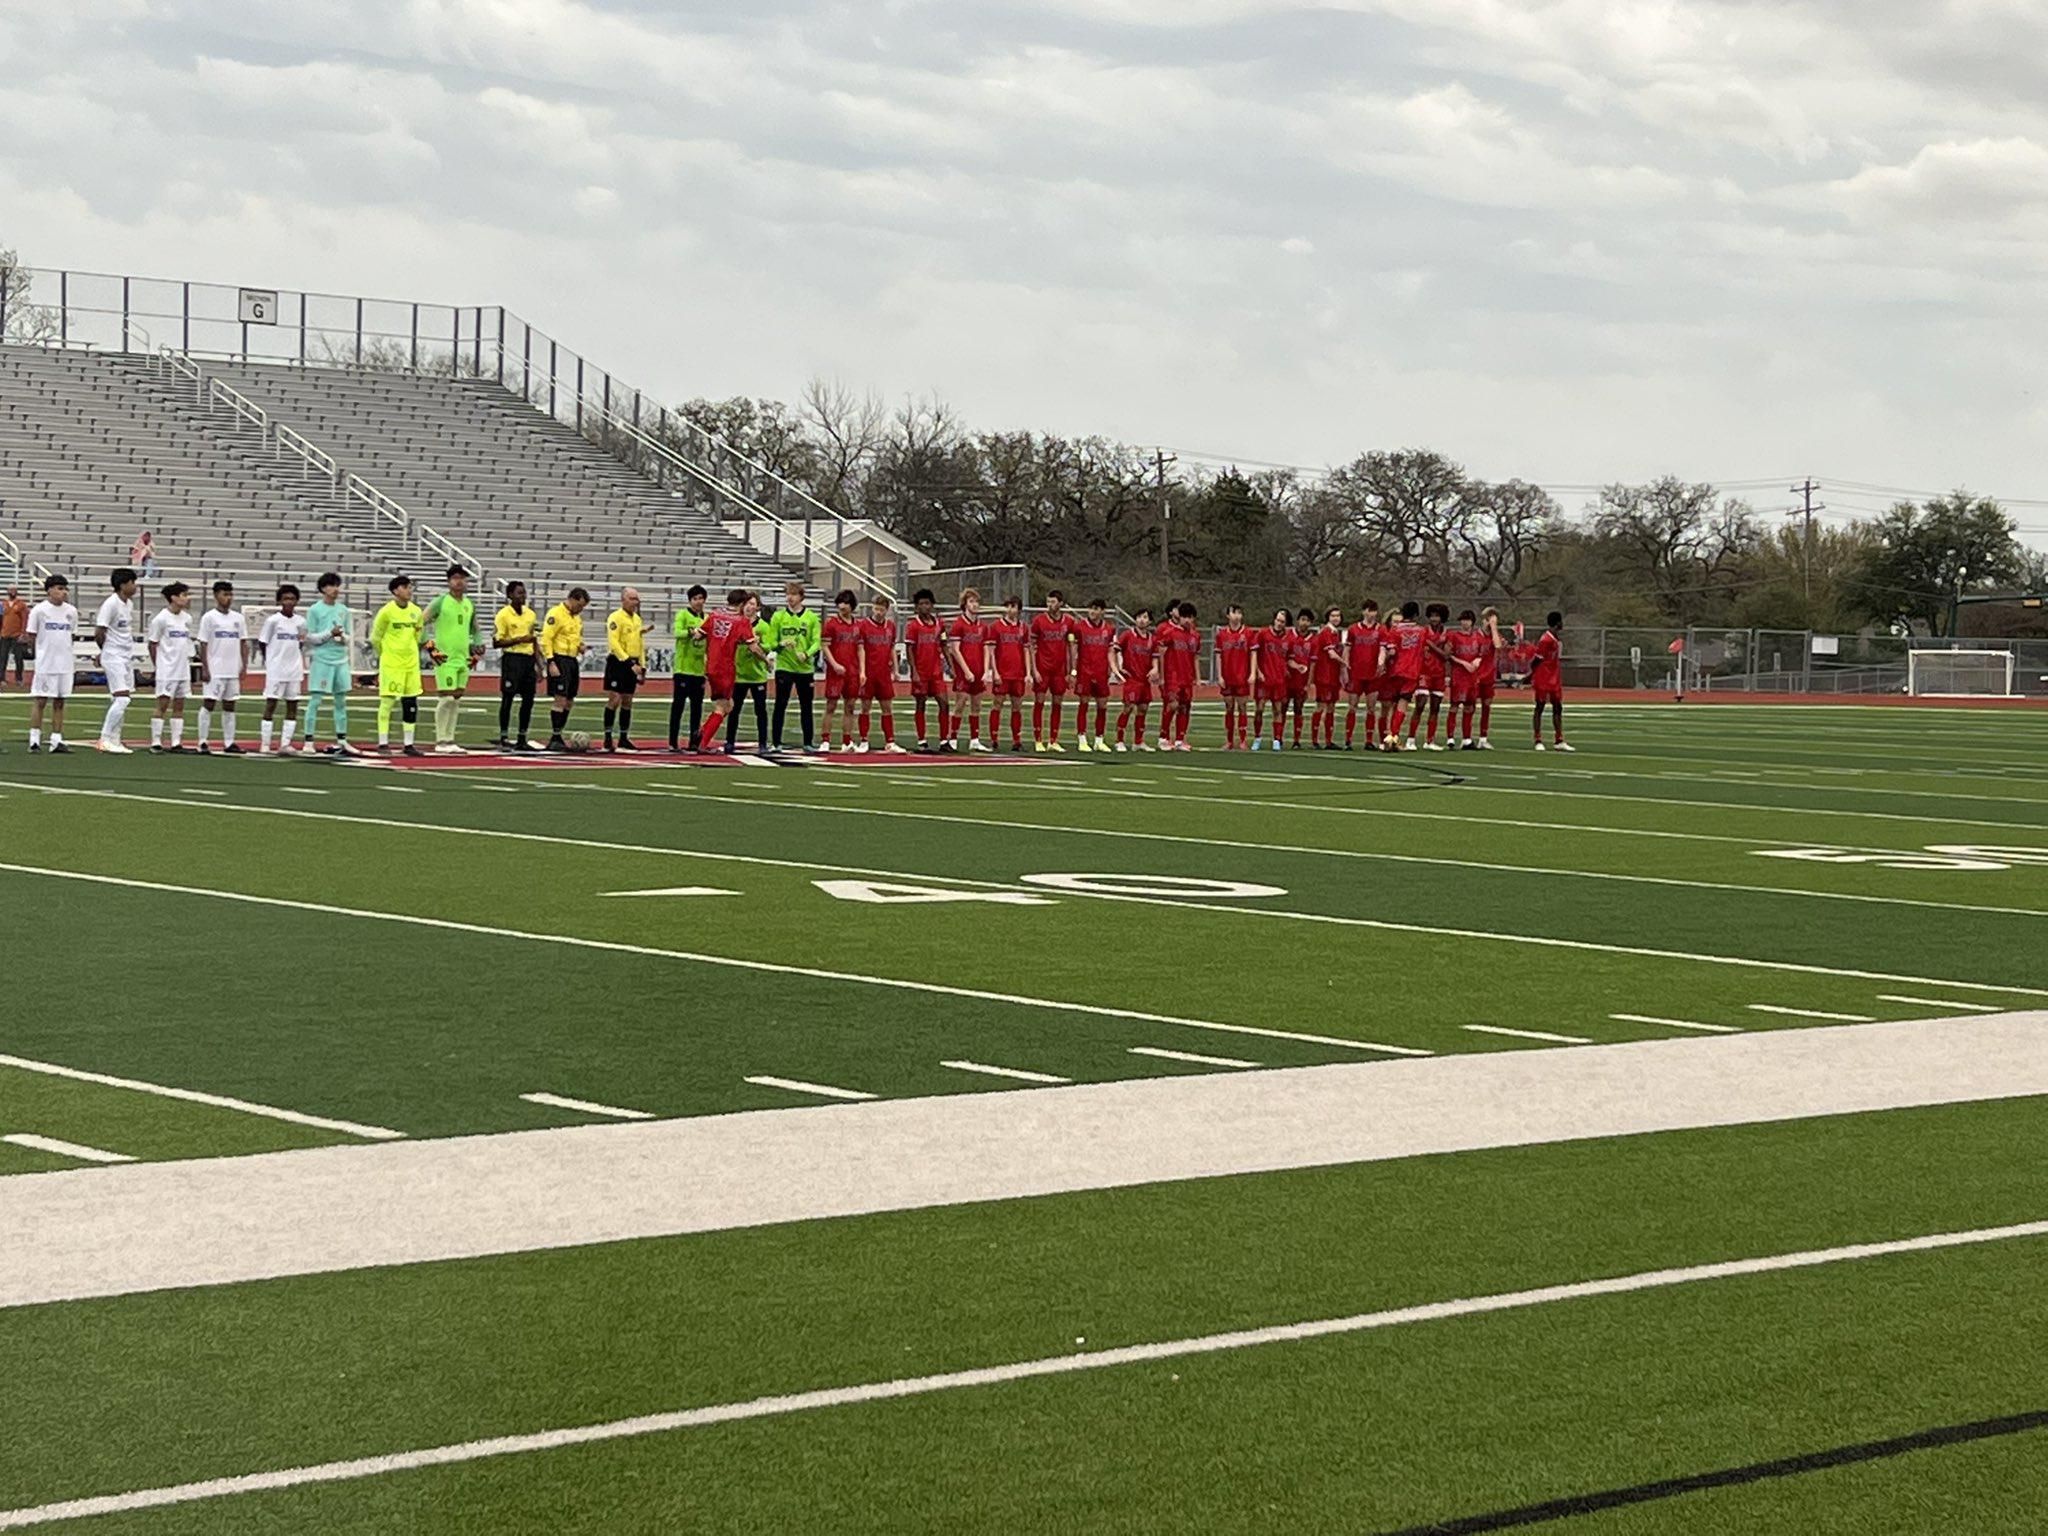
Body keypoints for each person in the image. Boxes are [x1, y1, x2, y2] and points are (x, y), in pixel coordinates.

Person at [422, 565, 479, 755]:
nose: (459, 581)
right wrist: (431, 648)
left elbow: (475, 629)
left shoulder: (469, 604)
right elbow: (419, 623)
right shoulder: (440, 602)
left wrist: (477, 649)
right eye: (455, 578)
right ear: (448, 581)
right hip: (445, 659)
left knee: (455, 699)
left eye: (462, 578)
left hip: (463, 659)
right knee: (446, 698)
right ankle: (441, 739)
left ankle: (450, 739)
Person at [760, 581, 822, 752]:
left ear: (801, 597)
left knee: (806, 706)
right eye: (788, 594)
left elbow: (816, 642)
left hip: (805, 669)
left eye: (793, 594)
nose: (790, 597)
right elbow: (771, 643)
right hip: (785, 667)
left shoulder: (811, 618)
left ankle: (808, 742)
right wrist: (780, 644)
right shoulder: (778, 617)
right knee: (780, 704)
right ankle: (776, 742)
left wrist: (807, 654)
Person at [369, 575, 426, 756]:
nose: (409, 590)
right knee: (387, 702)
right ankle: (383, 742)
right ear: (395, 591)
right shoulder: (386, 612)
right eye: (405, 587)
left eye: (410, 587)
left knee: (410, 702)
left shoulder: (416, 611)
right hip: (392, 663)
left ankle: (409, 743)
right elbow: (375, 638)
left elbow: (418, 635)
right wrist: (385, 654)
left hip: (411, 663)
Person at [304, 573, 355, 755]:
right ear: (324, 588)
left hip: (340, 660)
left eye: (337, 585)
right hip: (322, 660)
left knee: (341, 701)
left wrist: (341, 637)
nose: (336, 589)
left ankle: (342, 740)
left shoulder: (343, 610)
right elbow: (310, 637)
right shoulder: (315, 610)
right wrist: (329, 634)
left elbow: (348, 635)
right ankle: (308, 740)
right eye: (332, 586)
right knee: (316, 700)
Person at [26, 574, 78, 752]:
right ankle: (34, 740)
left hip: (64, 663)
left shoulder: (71, 611)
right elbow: (31, 635)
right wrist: (38, 655)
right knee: (40, 700)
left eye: (65, 589)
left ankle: (57, 740)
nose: (63, 592)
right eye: (59, 588)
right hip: (46, 663)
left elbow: (70, 635)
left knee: (60, 701)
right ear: (49, 590)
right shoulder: (39, 611)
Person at [195, 580, 248, 755]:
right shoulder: (209, 617)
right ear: (216, 596)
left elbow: (243, 643)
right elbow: (203, 643)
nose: (228, 598)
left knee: (230, 705)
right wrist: (205, 667)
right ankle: (202, 741)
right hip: (215, 668)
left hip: (232, 668)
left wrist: (244, 665)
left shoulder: (238, 618)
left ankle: (229, 742)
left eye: (230, 594)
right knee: (209, 703)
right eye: (225, 594)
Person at [718, 594, 774, 753]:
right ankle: (730, 741)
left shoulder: (763, 626)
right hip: (738, 674)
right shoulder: (737, 623)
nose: (749, 607)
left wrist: (758, 644)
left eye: (753, 604)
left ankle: (763, 743)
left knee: (761, 711)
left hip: (757, 675)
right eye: (747, 603)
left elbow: (768, 646)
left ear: (758, 607)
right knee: (734, 710)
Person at [94, 567, 140, 754]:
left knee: (120, 698)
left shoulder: (128, 604)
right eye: (132, 583)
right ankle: (104, 738)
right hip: (114, 656)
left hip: (126, 655)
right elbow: (99, 631)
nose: (135, 587)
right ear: (122, 585)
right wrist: (105, 652)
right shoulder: (110, 604)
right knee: (122, 698)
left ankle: (116, 739)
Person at [258, 584, 308, 753]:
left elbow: (300, 643)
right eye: (286, 598)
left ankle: (285, 743)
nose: (289, 602)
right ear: (279, 600)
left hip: (294, 669)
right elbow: (263, 642)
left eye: (292, 599)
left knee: (292, 706)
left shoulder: (301, 622)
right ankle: (265, 743)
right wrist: (270, 661)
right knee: (271, 704)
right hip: (276, 670)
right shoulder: (273, 621)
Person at [146, 582, 196, 752]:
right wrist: (158, 666)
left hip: (183, 668)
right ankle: (156, 742)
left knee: (179, 705)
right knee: (162, 704)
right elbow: (153, 643)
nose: (186, 598)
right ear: (173, 598)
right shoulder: (161, 619)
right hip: (167, 669)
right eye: (183, 595)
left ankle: (176, 742)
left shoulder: (186, 619)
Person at [493, 580, 541, 751]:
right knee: (508, 698)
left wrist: (539, 665)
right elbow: (497, 642)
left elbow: (534, 640)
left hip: (527, 660)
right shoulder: (503, 615)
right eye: (519, 593)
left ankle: (522, 736)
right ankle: (504, 735)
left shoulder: (530, 614)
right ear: (510, 595)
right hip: (512, 659)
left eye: (524, 592)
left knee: (529, 700)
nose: (523, 596)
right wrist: (519, 639)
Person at [541, 587, 590, 750]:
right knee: (560, 698)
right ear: (573, 599)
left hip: (571, 660)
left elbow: (575, 638)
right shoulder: (555, 614)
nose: (580, 609)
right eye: (580, 605)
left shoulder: (577, 618)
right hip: (559, 658)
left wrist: (580, 646)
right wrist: (551, 661)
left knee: (569, 700)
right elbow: (547, 638)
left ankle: (559, 734)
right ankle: (555, 736)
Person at [945, 588, 992, 752]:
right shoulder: (959, 624)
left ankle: (975, 739)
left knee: (976, 705)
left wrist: (986, 670)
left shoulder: (982, 626)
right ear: (965, 604)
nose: (975, 605)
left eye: (976, 601)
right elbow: (955, 650)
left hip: (978, 670)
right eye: (971, 601)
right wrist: (965, 671)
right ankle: (953, 738)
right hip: (964, 672)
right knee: (961, 703)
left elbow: (986, 649)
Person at [856, 594, 903, 753]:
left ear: (887, 610)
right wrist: (862, 671)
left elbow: (891, 648)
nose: (878, 612)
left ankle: (890, 741)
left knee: (887, 707)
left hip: (883, 673)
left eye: (881, 610)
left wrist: (895, 670)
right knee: (865, 707)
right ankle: (863, 740)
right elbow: (860, 649)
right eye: (876, 608)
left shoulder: (890, 626)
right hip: (869, 671)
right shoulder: (863, 625)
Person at [602, 587, 647, 752]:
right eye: (632, 598)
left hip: (633, 663)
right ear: (623, 599)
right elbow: (614, 643)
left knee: (628, 701)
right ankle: (607, 737)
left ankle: (623, 737)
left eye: (636, 599)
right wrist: (629, 663)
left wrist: (642, 665)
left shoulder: (637, 619)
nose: (635, 602)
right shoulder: (615, 618)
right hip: (619, 662)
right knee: (614, 699)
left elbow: (640, 643)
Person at [1028, 590, 1074, 752]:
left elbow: (1070, 647)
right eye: (1048, 602)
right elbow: (1031, 647)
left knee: (1057, 704)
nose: (1050, 605)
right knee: (1039, 702)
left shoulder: (1068, 622)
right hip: (1042, 667)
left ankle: (1053, 740)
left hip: (1059, 670)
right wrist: (1034, 670)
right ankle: (1038, 739)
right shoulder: (1039, 621)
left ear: (1060, 603)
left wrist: (1071, 671)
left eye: (1053, 602)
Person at [904, 589, 948, 750]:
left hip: (936, 671)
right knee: (921, 704)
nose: (925, 607)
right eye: (921, 604)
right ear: (917, 607)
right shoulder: (913, 626)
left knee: (944, 703)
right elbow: (909, 649)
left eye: (927, 603)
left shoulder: (939, 624)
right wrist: (914, 671)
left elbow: (943, 644)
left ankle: (944, 740)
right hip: (921, 671)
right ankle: (922, 740)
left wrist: (951, 665)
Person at [820, 590, 863, 752]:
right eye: (840, 602)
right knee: (831, 705)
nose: (842, 606)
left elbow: (860, 648)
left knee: (850, 706)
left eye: (845, 603)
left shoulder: (857, 625)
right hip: (835, 672)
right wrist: (834, 664)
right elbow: (825, 646)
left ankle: (847, 740)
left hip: (852, 671)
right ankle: (825, 740)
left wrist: (862, 671)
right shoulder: (831, 623)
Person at [1405, 602, 1452, 751]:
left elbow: (1446, 655)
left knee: (1435, 707)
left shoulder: (1447, 633)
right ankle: (1410, 739)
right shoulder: (1422, 631)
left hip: (1439, 673)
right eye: (1431, 616)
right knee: (1420, 705)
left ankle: (1430, 740)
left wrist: (1431, 645)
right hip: (1424, 672)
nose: (1434, 619)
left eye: (1437, 616)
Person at [667, 584, 708, 753]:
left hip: (699, 670)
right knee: (678, 706)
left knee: (697, 709)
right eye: (695, 599)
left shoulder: (707, 618)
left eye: (701, 598)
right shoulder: (682, 614)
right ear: (690, 601)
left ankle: (694, 741)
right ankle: (672, 741)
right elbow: (677, 632)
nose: (698, 602)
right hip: (683, 669)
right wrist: (692, 632)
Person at [1069, 599, 1115, 751]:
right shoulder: (1080, 627)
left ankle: (1099, 739)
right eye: (1091, 609)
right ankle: (1082, 738)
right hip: (1085, 671)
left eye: (1096, 609)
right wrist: (1073, 671)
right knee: (1084, 703)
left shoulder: (1109, 629)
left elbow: (1110, 650)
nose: (1093, 612)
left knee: (1102, 705)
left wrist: (1114, 668)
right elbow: (1074, 650)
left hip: (1101, 672)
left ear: (1103, 611)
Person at [1111, 606, 1158, 752]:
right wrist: (1118, 668)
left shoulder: (1152, 639)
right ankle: (1119, 740)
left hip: (1144, 680)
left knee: (1143, 708)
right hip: (1131, 678)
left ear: (1149, 621)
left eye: (1145, 617)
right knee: (1128, 707)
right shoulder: (1127, 635)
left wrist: (1155, 669)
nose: (1141, 620)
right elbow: (1114, 651)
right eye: (1139, 617)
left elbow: (1155, 658)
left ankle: (1138, 741)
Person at [1382, 601, 1426, 750]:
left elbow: (1392, 651)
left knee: (1392, 704)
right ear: (1416, 614)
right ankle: (1393, 737)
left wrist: (1383, 664)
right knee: (1402, 705)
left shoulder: (1394, 630)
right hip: (1412, 671)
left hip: (1395, 670)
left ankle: (1388, 737)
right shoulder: (1421, 631)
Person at [1446, 609, 1491, 750]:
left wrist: (1477, 660)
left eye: (1467, 620)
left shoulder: (1476, 637)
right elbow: (1449, 655)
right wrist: (1463, 663)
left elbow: (1481, 653)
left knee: (1469, 707)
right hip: (1459, 675)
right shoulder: (1454, 636)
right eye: (1463, 620)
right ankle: (1450, 737)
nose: (1465, 623)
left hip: (1472, 676)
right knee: (1454, 705)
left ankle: (1467, 738)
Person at [1157, 602, 1200, 751]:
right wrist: (1161, 675)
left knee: (1185, 707)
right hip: (1173, 675)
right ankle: (1163, 737)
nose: (1187, 620)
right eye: (1185, 617)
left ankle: (1180, 739)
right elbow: (1161, 652)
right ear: (1179, 617)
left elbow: (1195, 656)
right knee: (1172, 705)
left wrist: (1197, 677)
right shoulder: (1170, 633)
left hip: (1187, 676)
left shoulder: (1195, 636)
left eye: (1190, 617)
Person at [989, 595, 1029, 750]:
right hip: (1003, 672)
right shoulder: (996, 627)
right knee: (997, 704)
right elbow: (992, 651)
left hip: (1018, 673)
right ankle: (994, 738)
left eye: (1014, 606)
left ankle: (1016, 740)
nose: (1011, 609)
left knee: (1017, 706)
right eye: (1008, 606)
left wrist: (1028, 671)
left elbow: (1026, 650)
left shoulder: (1023, 627)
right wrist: (995, 672)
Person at [1344, 602, 1383, 749]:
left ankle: (1369, 740)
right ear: (1363, 612)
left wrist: (1381, 663)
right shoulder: (1353, 629)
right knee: (1352, 706)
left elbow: (1383, 649)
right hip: (1356, 673)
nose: (1372, 614)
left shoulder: (1380, 629)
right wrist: (1346, 665)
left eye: (1374, 611)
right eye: (1369, 611)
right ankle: (1348, 739)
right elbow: (1347, 649)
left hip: (1372, 675)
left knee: (1371, 708)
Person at [1213, 604, 1253, 749]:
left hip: (1242, 676)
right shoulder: (1221, 634)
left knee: (1242, 707)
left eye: (1239, 613)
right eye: (1233, 613)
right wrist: (1220, 676)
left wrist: (1252, 673)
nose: (1236, 616)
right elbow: (1218, 656)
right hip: (1227, 676)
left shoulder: (1248, 633)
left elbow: (1253, 654)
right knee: (1229, 707)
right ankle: (1229, 740)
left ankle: (1243, 740)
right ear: (1228, 616)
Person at [1250, 607, 1290, 750]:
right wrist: (1257, 671)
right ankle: (1257, 737)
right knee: (1259, 709)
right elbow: (1254, 652)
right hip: (1264, 679)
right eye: (1278, 620)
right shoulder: (1263, 634)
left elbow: (1289, 658)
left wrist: (1297, 666)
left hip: (1279, 679)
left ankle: (1277, 739)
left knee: (1278, 710)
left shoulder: (1287, 638)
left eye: (1283, 621)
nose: (1279, 623)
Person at [1532, 610, 1573, 751]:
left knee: (1558, 707)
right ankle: (1538, 739)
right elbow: (1537, 659)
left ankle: (1559, 739)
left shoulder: (1555, 639)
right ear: (1557, 623)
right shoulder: (1545, 639)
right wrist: (1530, 675)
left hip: (1554, 677)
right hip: (1543, 677)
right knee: (1540, 707)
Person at [1309, 605, 1345, 749]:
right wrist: (1345, 664)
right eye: (1333, 616)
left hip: (1333, 676)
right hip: (1325, 675)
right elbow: (1331, 654)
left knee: (1331, 707)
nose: (1336, 618)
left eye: (1338, 616)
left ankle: (1328, 741)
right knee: (1321, 706)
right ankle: (1315, 740)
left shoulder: (1336, 633)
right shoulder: (1326, 632)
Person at [1283, 608, 1316, 748]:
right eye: (1303, 619)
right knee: (1282, 707)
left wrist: (1309, 683)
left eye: (1308, 621)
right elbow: (1284, 658)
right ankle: (1278, 737)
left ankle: (1296, 740)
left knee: (1298, 708)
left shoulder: (1313, 640)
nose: (1305, 623)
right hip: (1287, 679)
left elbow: (1313, 663)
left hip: (1301, 681)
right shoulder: (1289, 636)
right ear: (1298, 621)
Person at [1472, 607, 1503, 749]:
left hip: (1489, 676)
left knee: (1486, 707)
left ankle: (1483, 738)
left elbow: (1498, 645)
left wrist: (1494, 628)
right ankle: (1467, 737)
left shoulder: (1494, 635)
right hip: (1475, 675)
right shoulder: (1476, 636)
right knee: (1470, 707)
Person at [0, 587, 27, 686]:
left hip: (17, 635)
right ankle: (2, 679)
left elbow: (25, 619)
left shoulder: (21, 605)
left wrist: (23, 633)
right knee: (2, 658)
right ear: (7, 592)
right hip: (4, 634)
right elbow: (0, 618)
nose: (12, 592)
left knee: (19, 658)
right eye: (10, 590)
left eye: (14, 590)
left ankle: (19, 679)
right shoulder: (3, 604)